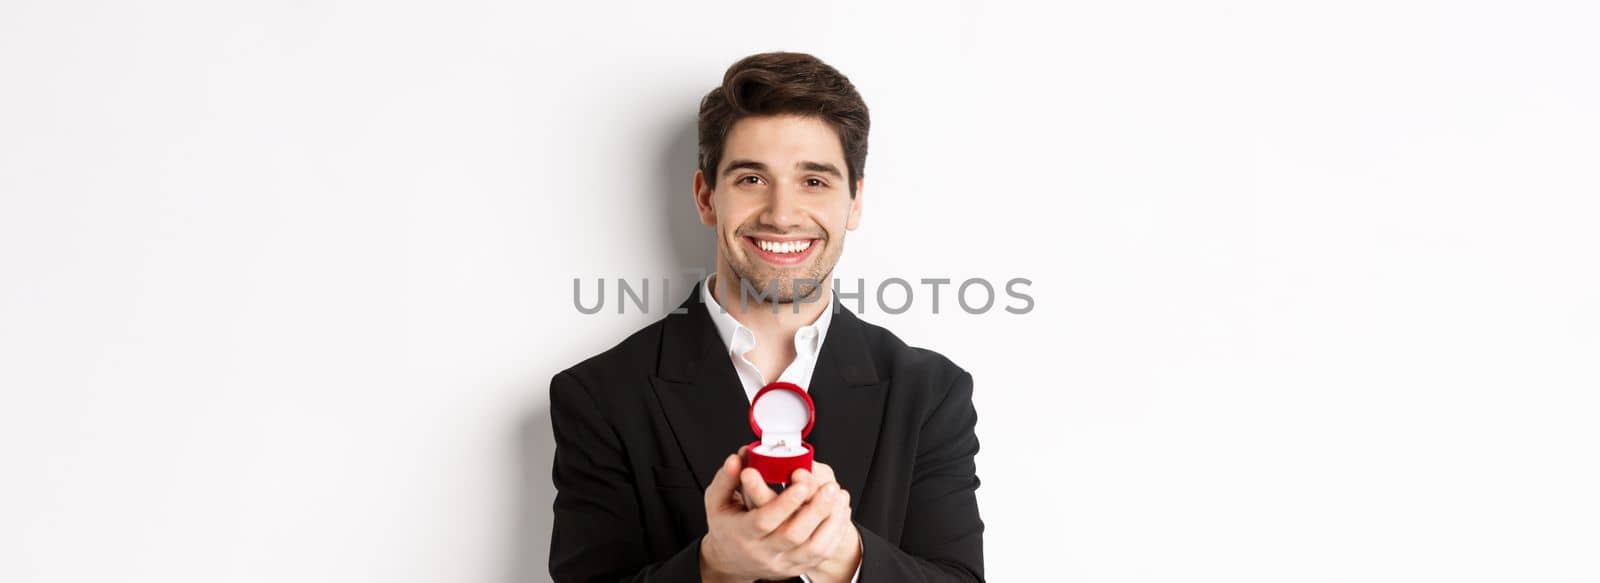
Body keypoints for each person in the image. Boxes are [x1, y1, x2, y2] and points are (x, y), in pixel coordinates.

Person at [549, 51, 984, 582]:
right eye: (752, 179)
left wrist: (846, 558)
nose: (781, 213)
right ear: (707, 198)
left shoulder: (930, 394)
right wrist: (714, 569)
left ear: (855, 202)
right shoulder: (601, 395)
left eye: (815, 181)